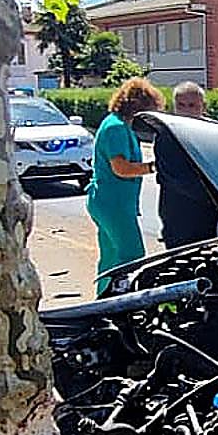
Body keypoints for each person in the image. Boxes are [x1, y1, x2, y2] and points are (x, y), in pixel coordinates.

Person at [86, 77, 163, 295]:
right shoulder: (117, 128)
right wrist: (154, 167)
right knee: (132, 255)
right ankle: (121, 301)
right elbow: (121, 168)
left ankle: (103, 300)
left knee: (111, 258)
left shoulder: (116, 124)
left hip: (107, 201)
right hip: (113, 203)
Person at [154, 81, 218, 249]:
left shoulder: (214, 131)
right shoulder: (166, 135)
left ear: (203, 106)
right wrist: (216, 195)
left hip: (208, 214)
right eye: (181, 105)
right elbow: (178, 177)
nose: (186, 111)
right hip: (179, 213)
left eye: (192, 105)